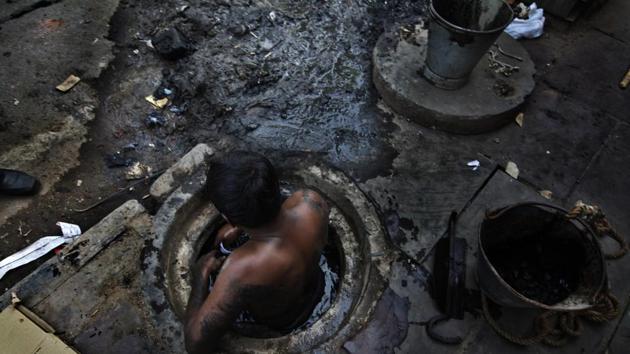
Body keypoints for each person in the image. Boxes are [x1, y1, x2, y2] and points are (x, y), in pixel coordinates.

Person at [184, 151, 329, 354]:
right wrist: (242, 226)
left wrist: (200, 276)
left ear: (227, 217)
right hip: (317, 290)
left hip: (277, 323)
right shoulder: (311, 201)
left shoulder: (242, 267)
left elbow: (195, 343)